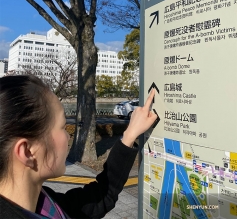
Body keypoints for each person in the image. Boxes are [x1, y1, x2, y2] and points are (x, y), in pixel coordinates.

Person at [0, 75, 158, 219]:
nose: (68, 136)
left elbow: (100, 197)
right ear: (28, 152)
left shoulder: (46, 203)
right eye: (62, 126)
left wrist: (130, 135)